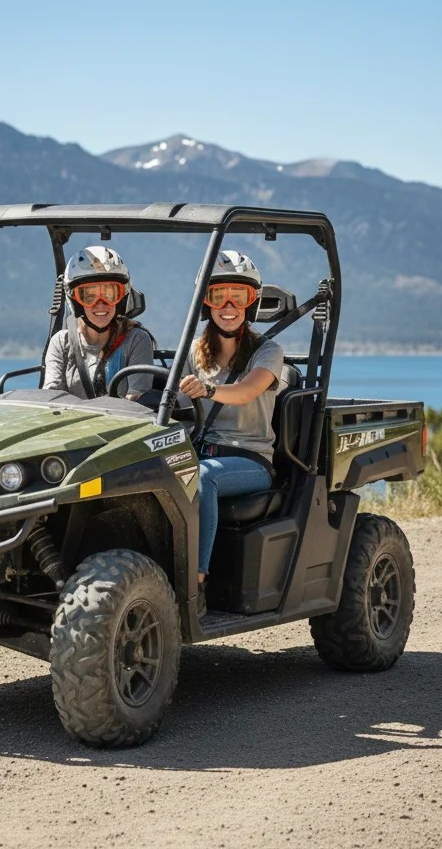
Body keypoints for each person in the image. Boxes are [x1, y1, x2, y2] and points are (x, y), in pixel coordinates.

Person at [179, 250, 283, 616]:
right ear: (205, 302)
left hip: (249, 459)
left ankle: (195, 584)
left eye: (238, 297)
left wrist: (207, 390)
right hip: (200, 451)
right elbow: (176, 405)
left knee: (202, 480)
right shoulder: (194, 351)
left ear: (251, 303)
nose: (228, 306)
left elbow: (247, 392)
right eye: (217, 296)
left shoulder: (268, 351)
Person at [43, 246, 155, 400]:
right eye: (89, 295)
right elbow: (51, 397)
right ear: (75, 300)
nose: (100, 304)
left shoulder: (136, 340)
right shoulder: (62, 342)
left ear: (121, 298)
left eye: (110, 294)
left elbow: (136, 400)